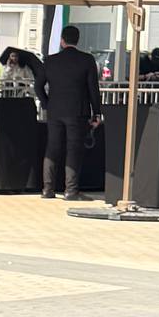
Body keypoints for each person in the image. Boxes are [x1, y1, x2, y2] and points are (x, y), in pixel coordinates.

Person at [36, 24, 103, 199]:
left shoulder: (50, 60)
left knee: (52, 148)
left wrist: (46, 103)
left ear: (62, 40)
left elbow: (37, 86)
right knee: (73, 149)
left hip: (55, 111)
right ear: (77, 40)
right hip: (78, 111)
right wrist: (97, 112)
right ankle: (71, 190)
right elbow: (93, 89)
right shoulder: (87, 60)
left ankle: (47, 189)